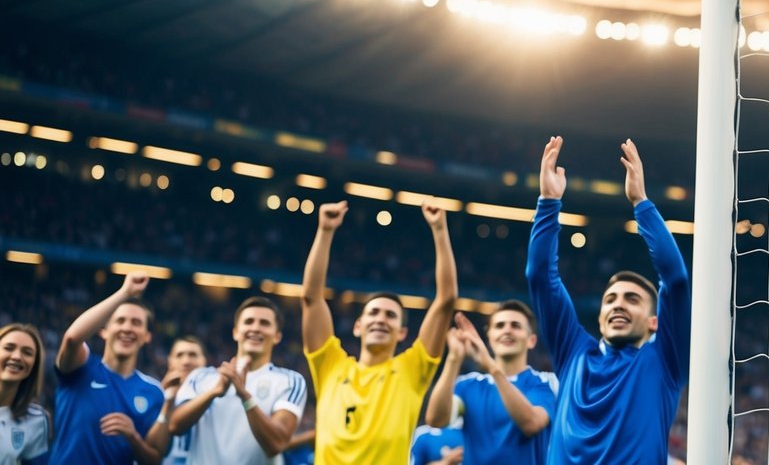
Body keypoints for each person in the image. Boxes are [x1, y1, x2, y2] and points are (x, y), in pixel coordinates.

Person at [526, 137, 689, 463]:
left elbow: (676, 280)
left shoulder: (664, 361)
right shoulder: (574, 352)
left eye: (632, 299)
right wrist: (548, 202)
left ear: (653, 321)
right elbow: (541, 277)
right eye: (611, 299)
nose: (618, 304)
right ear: (600, 315)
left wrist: (641, 202)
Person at [300, 198, 458, 464]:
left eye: (390, 316)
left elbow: (446, 300)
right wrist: (325, 232)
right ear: (358, 326)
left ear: (402, 333)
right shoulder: (330, 365)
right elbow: (311, 298)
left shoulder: (411, 369)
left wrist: (440, 230)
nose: (381, 319)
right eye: (373, 313)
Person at [169, 297, 306, 464]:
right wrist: (214, 392)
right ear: (236, 332)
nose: (255, 328)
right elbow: (175, 426)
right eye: (249, 321)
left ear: (277, 336)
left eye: (264, 323)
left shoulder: (290, 381)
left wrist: (245, 397)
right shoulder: (201, 377)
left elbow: (276, 443)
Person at [50, 271, 167, 465]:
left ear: (147, 336)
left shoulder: (154, 392)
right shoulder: (81, 368)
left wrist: (133, 437)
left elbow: (154, 460)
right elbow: (72, 338)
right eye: (120, 321)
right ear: (103, 330)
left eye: (136, 323)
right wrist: (125, 292)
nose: (127, 328)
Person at [423, 303, 556, 464]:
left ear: (531, 340)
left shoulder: (543, 383)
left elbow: (531, 424)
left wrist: (491, 367)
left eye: (515, 326)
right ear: (490, 338)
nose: (507, 330)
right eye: (500, 326)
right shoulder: (468, 385)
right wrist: (454, 359)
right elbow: (435, 419)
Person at [0, 323, 51, 464]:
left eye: (27, 353)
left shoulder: (36, 420)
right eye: (8, 348)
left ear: (34, 365)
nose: (17, 356)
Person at [155, 337, 207, 465]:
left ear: (204, 360)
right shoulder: (154, 394)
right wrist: (160, 395)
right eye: (179, 355)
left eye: (193, 355)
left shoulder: (217, 396)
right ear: (169, 361)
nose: (186, 361)